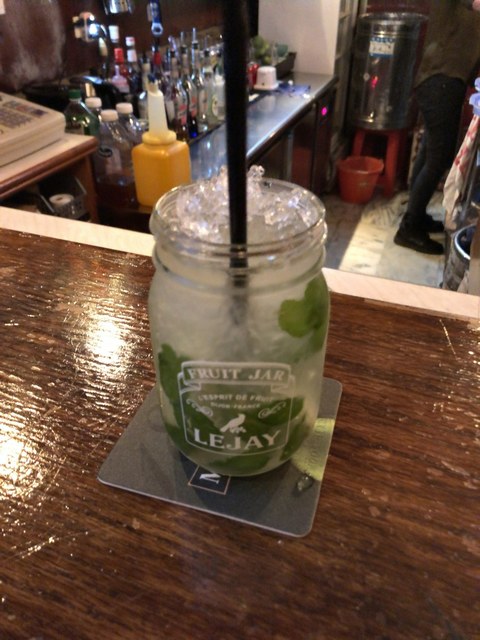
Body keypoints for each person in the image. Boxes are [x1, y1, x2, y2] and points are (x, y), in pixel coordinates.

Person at [394, 0, 480, 254]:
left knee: (429, 153)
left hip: (443, 81)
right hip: (440, 82)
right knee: (438, 158)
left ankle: (415, 216)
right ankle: (409, 229)